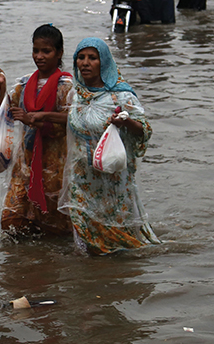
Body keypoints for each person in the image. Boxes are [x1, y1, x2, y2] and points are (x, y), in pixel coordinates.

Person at [59, 37, 160, 255]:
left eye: (92, 58)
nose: (85, 63)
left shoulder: (120, 95)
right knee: (85, 238)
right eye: (81, 58)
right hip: (82, 177)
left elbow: (145, 130)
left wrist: (126, 121)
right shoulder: (76, 95)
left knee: (117, 237)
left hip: (112, 178)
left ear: (103, 62)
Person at [0, 24, 73, 236]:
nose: (40, 56)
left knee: (55, 230)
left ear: (59, 53)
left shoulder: (67, 87)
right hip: (25, 166)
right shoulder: (24, 84)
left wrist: (36, 121)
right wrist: (1, 85)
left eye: (46, 51)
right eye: (36, 50)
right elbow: (4, 111)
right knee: (11, 224)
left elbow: (73, 122)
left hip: (54, 167)